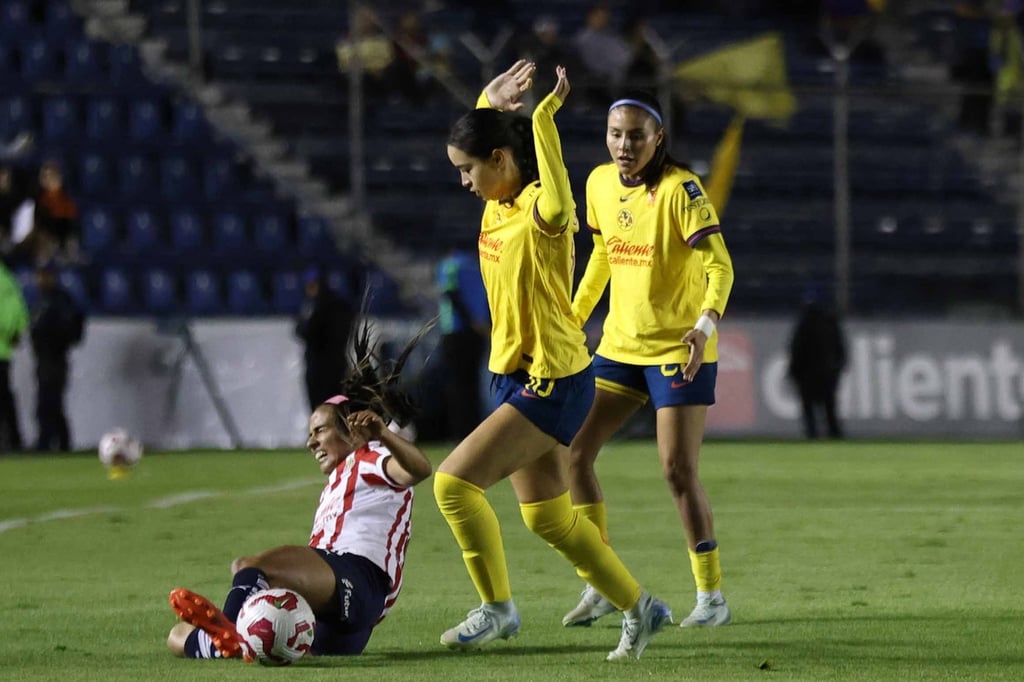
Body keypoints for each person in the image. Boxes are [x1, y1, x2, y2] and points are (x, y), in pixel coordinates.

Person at [436, 60, 671, 662]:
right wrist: (488, 99)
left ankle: (498, 610)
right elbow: (484, 136)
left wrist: (543, 117)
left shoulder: (543, 211)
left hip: (554, 381)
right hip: (516, 376)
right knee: (546, 517)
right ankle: (640, 608)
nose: (463, 182)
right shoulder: (498, 201)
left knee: (454, 485)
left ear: (500, 162)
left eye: (468, 171)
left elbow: (558, 188)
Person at [564, 91, 735, 630]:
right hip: (619, 347)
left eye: (636, 135)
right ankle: (599, 581)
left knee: (676, 470)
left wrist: (702, 328)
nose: (623, 145)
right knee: (573, 454)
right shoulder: (595, 183)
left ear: (658, 138)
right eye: (615, 134)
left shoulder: (682, 190)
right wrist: (570, 319)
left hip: (677, 350)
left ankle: (711, 598)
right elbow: (601, 259)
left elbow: (721, 267)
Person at [167, 322, 434, 660]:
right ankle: (231, 643)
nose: (310, 442)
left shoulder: (372, 457)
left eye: (319, 430)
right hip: (342, 622)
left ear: (351, 433)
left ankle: (231, 631)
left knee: (250, 566)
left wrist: (382, 435)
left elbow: (419, 470)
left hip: (355, 577)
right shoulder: (342, 478)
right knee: (177, 637)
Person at [436, 246, 490, 441]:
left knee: (457, 386)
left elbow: (450, 293)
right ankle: (474, 432)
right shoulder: (480, 265)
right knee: (473, 385)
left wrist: (470, 320)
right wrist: (483, 323)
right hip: (480, 332)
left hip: (455, 331)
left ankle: (460, 434)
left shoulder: (450, 265)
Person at [30, 262, 84, 452]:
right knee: (50, 403)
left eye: (43, 275)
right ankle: (60, 443)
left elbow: (71, 330)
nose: (40, 279)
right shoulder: (43, 300)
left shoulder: (59, 301)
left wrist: (55, 341)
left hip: (54, 359)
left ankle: (49, 443)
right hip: (43, 359)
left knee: (48, 403)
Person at [787, 287, 847, 440]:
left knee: (811, 408)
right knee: (828, 406)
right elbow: (840, 348)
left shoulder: (804, 323)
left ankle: (813, 434)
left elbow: (797, 349)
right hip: (826, 371)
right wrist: (838, 367)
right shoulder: (830, 322)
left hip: (808, 373)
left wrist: (794, 371)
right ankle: (833, 433)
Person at [295, 266, 357, 412]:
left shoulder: (315, 307)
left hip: (320, 369)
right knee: (336, 409)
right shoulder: (342, 305)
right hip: (337, 365)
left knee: (320, 409)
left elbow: (303, 331)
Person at [0, 258, 28, 452]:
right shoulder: (8, 279)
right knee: (5, 397)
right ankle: (14, 439)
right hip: (4, 350)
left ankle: (13, 439)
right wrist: (14, 331)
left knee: (4, 397)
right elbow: (18, 310)